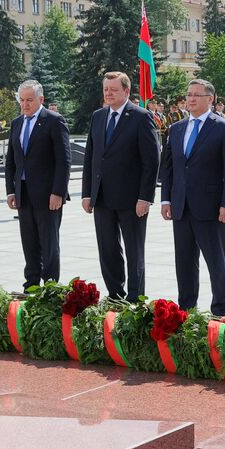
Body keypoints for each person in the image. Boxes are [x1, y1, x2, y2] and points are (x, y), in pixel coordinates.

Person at [160, 78, 225, 316]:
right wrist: (167, 199)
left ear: (210, 99)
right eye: (189, 94)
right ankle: (186, 308)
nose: (191, 99)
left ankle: (220, 310)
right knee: (184, 262)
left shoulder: (224, 128)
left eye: (197, 95)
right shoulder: (176, 129)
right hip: (181, 207)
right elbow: (170, 168)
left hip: (211, 207)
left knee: (216, 262)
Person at [82, 71, 160, 302]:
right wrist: (87, 193)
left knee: (134, 251)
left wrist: (145, 197)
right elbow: (91, 157)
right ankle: (115, 294)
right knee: (107, 249)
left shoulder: (140, 116)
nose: (108, 93)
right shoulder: (98, 116)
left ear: (126, 91)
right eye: (106, 89)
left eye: (113, 90)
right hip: (103, 196)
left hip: (131, 199)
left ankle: (136, 299)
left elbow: (151, 160)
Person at [5, 80, 71, 290]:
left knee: (49, 243)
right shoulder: (17, 123)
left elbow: (63, 160)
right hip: (23, 193)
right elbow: (11, 161)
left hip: (47, 195)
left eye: (29, 100)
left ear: (41, 99)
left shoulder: (53, 121)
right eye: (22, 100)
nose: (24, 104)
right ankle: (31, 284)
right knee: (29, 241)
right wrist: (10, 191)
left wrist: (58, 192)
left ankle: (51, 286)